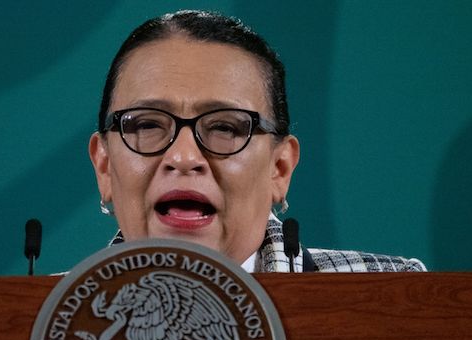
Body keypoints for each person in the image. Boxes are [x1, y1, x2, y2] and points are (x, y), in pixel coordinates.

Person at [88, 10, 425, 273]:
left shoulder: (394, 296)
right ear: (104, 166)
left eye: (225, 127)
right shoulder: (39, 323)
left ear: (279, 169)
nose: (184, 156)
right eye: (147, 124)